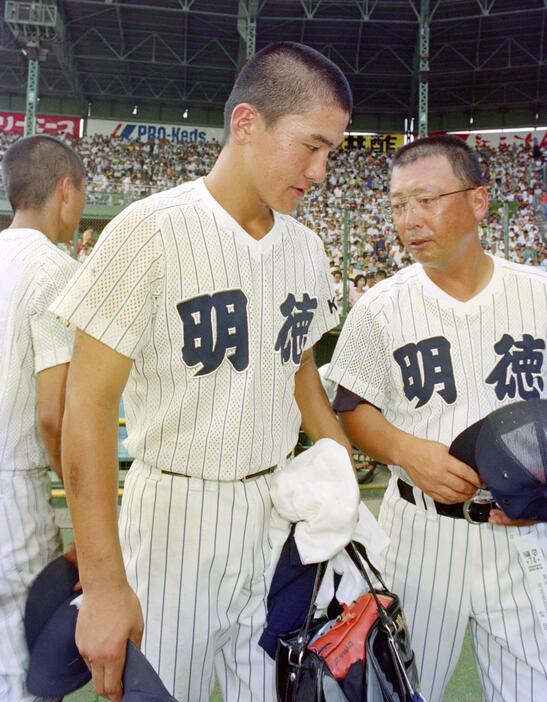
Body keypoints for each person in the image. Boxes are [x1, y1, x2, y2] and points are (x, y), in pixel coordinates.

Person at [52, 42, 353, 702]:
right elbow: (87, 406)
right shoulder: (147, 229)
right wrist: (103, 583)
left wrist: (337, 470)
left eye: (331, 151)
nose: (322, 169)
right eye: (310, 145)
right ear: (246, 123)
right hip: (174, 516)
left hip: (275, 512)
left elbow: (296, 365)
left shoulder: (305, 248)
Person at [327, 135, 547, 702]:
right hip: (421, 537)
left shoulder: (538, 294)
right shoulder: (379, 306)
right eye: (399, 205)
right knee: (395, 691)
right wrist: (403, 449)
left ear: (478, 201)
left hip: (525, 539)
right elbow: (351, 410)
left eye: (426, 200)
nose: (409, 219)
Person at [0, 135, 85, 702]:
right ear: (64, 190)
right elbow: (54, 417)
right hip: (11, 488)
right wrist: (87, 518)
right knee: (17, 675)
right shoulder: (56, 269)